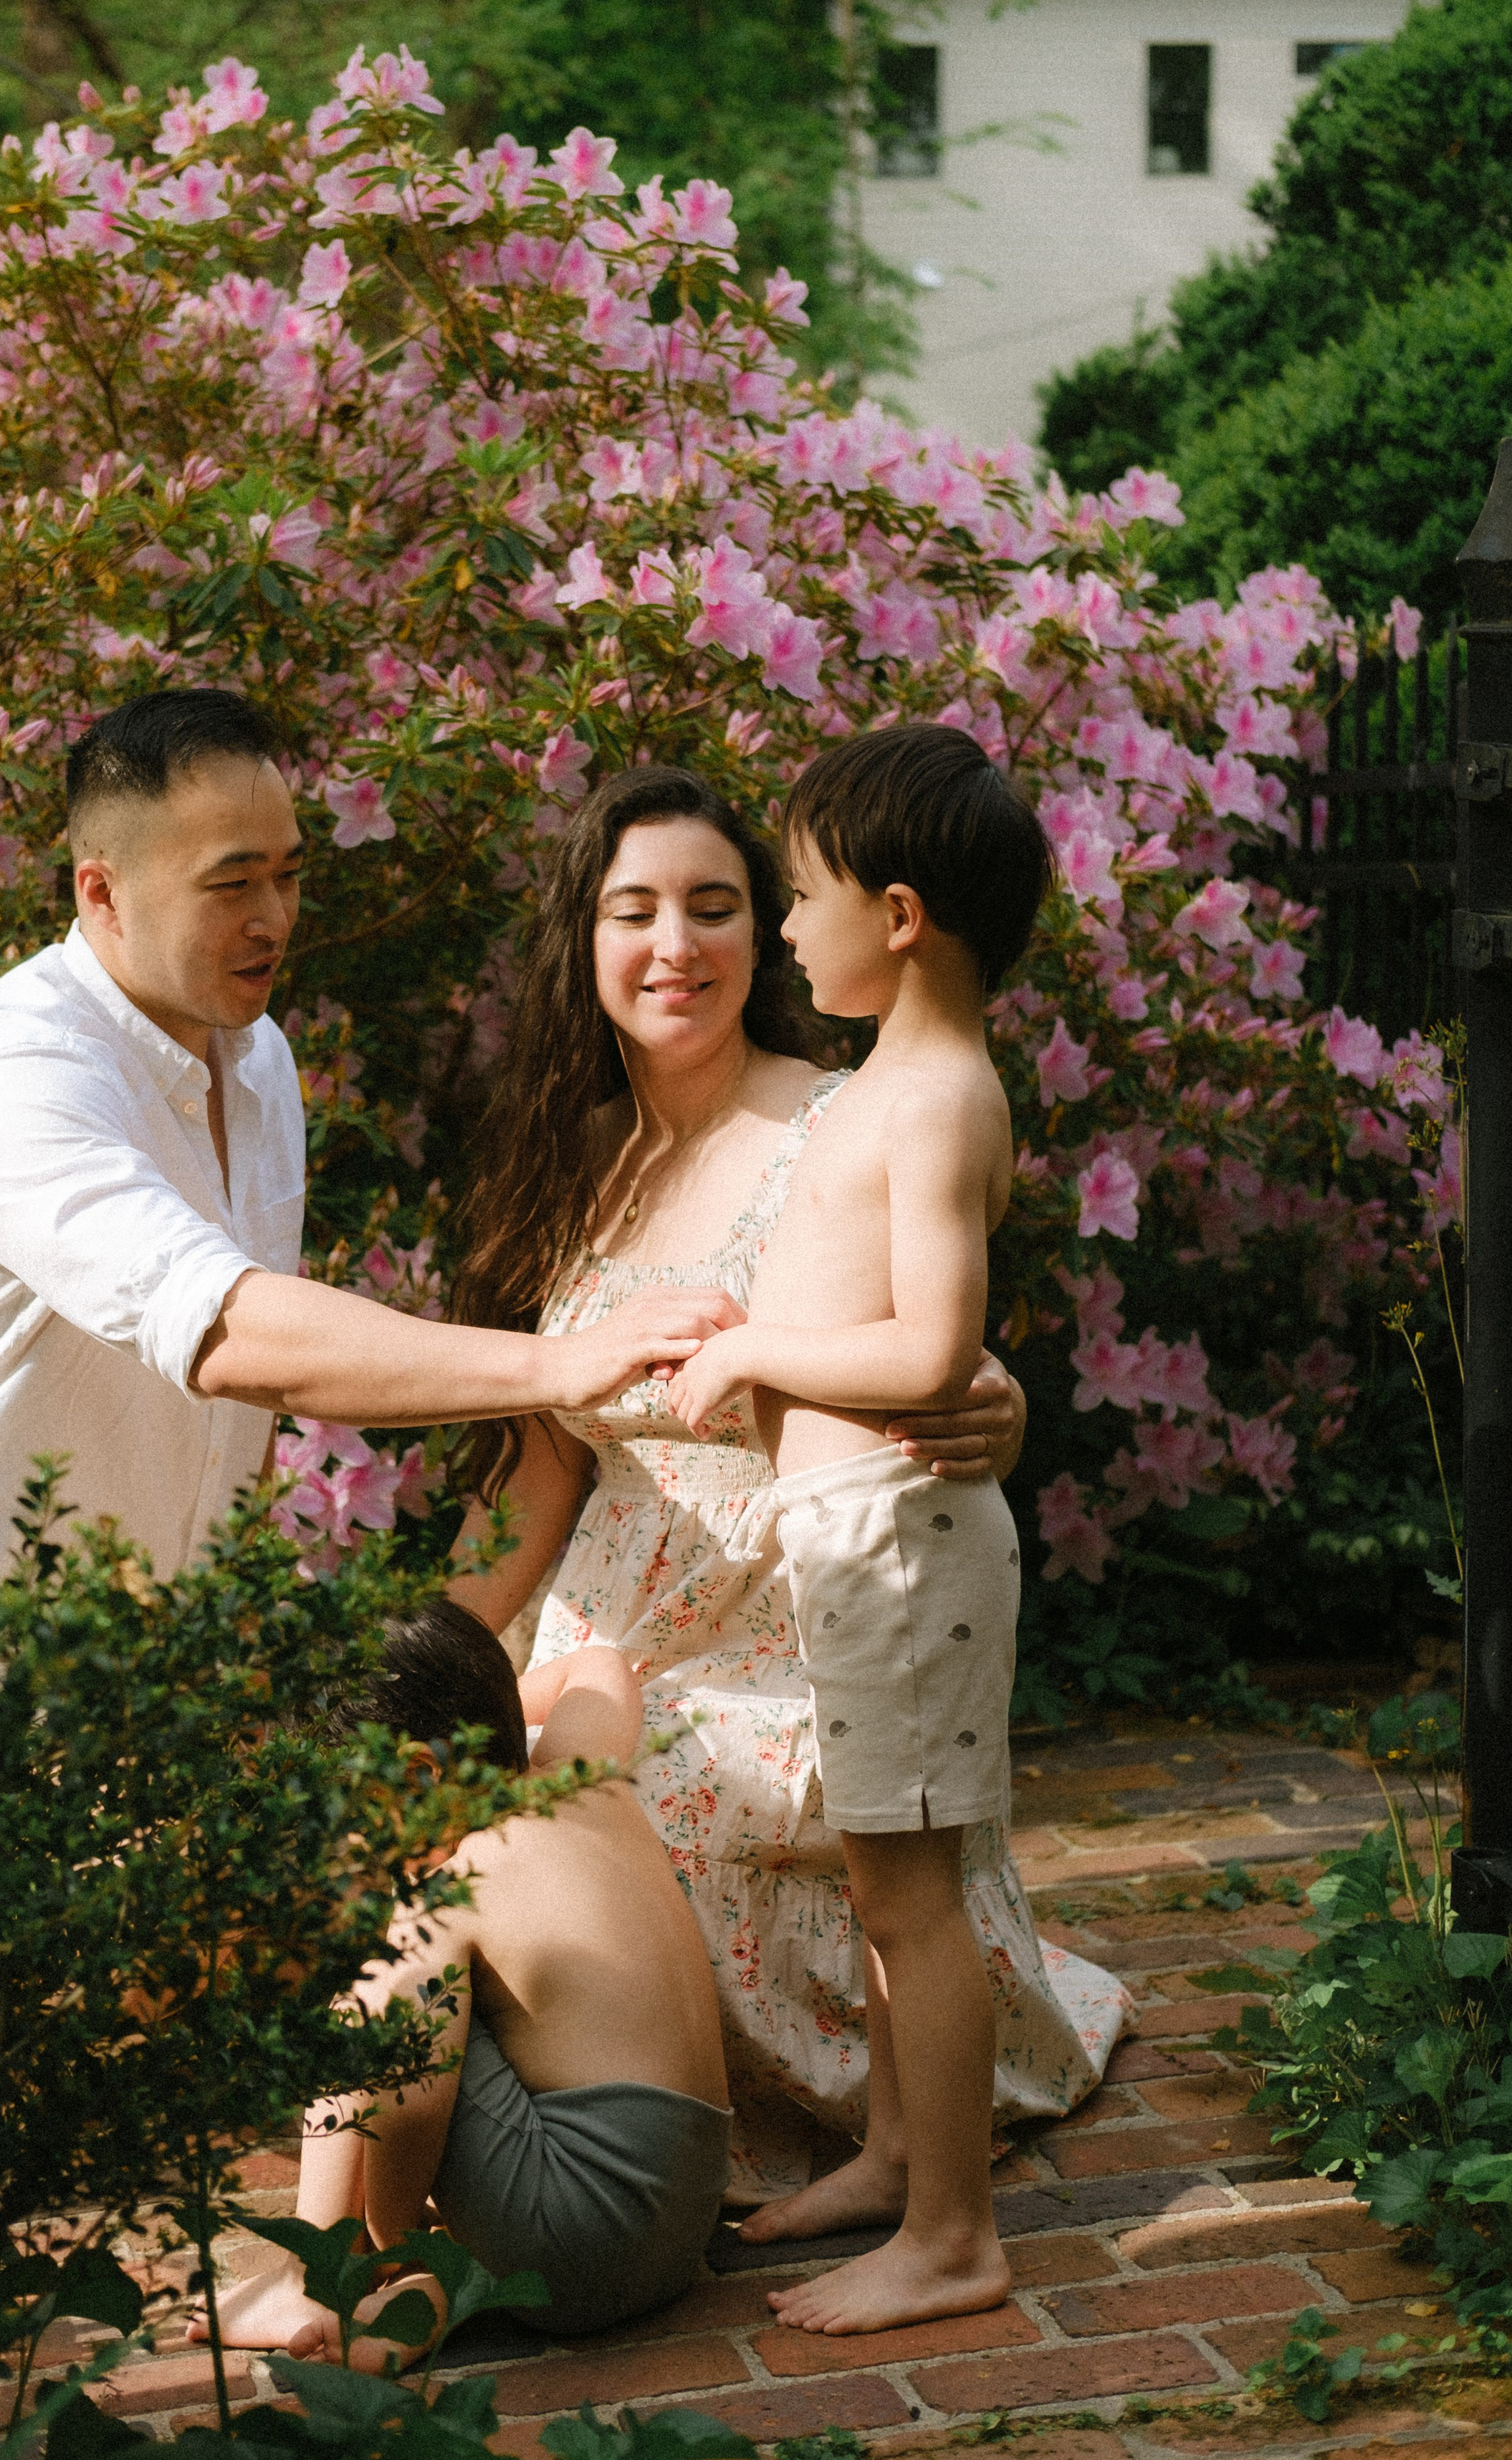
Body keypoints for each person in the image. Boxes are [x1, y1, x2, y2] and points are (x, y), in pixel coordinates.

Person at [446, 763, 1129, 2214]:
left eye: (715, 905)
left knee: (595, 1816)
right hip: (605, 1627)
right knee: (469, 1774)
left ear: (770, 934)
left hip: (788, 1629)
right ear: (584, 938)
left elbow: (923, 1352)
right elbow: (537, 1469)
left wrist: (991, 1401)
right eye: (634, 910)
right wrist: (427, 1659)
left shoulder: (848, 1113)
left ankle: (715, 2148)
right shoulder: (569, 1160)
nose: (674, 944)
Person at [0, 691, 736, 1603]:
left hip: (136, 1667)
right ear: (102, 893)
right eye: (232, 883)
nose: (274, 918)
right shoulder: (21, 1074)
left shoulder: (257, 1055)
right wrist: (560, 1362)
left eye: (288, 875)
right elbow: (226, 1333)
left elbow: (234, 1421)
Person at [663, 724, 1048, 2335]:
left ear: (896, 912)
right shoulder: (886, 1083)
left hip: (896, 1536)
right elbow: (865, 1301)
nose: (784, 924)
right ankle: (897, 2155)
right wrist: (751, 1314)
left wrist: (751, 1352)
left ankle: (953, 2234)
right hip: (859, 1535)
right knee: (884, 1867)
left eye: (798, 893)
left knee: (910, 1891)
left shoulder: (936, 1094)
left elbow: (925, 1353)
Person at [200, 1600, 734, 2352]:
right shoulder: (578, 1777)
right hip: (679, 2235)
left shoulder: (455, 1885)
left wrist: (393, 2246)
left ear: (417, 1776)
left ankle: (325, 2279)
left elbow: (406, 2099)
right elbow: (599, 1664)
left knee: (374, 1967)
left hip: (568, 2241)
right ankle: (447, 2290)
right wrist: (474, 1719)